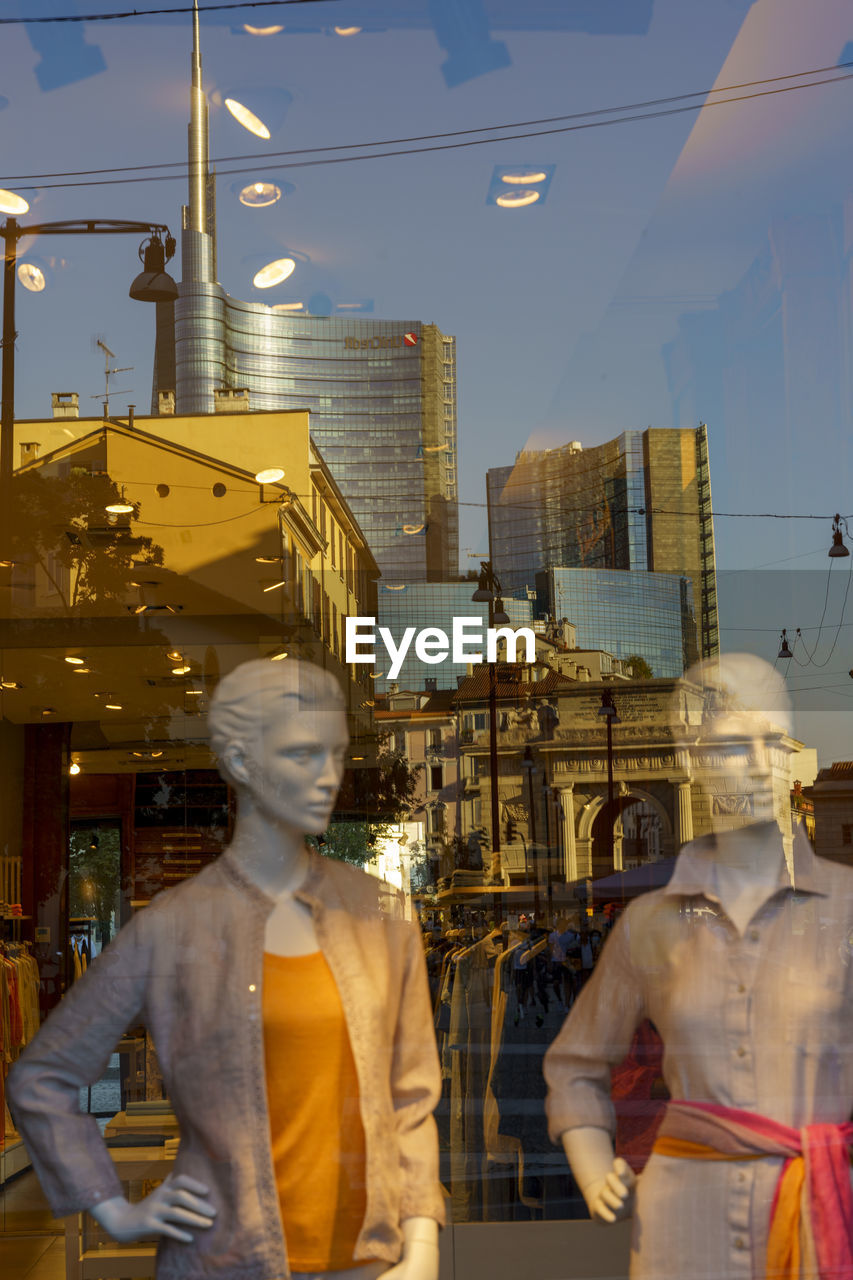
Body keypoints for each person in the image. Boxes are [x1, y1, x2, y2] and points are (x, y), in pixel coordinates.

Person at [8, 658, 444, 1280]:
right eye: (301, 753)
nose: (327, 776)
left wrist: (422, 1243)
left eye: (335, 753)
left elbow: (412, 1098)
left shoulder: (382, 918)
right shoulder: (176, 926)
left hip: (370, 1262)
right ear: (241, 764)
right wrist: (113, 1208)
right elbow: (43, 1077)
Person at [544, 653, 853, 1280]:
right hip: (685, 1222)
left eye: (770, 740)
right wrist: (590, 1152)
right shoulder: (647, 926)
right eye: (733, 745)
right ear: (695, 761)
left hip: (812, 1209)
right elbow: (576, 1064)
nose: (758, 762)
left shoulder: (845, 910)